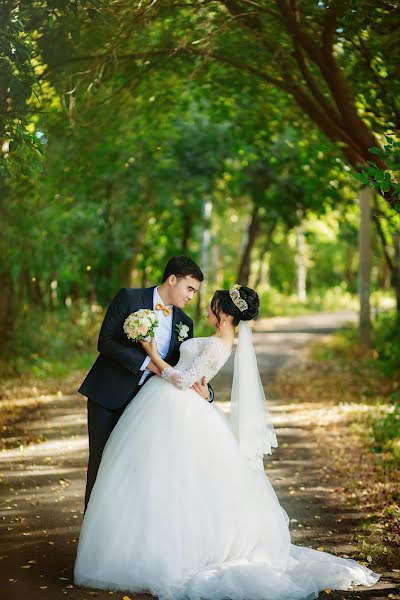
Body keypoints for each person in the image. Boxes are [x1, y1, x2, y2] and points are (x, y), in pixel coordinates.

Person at [74, 284, 380, 600]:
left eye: (211, 306)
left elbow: (183, 380)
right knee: (159, 478)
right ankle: (139, 544)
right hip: (170, 404)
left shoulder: (219, 344)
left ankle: (166, 550)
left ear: (222, 312)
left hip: (174, 405)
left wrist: (151, 353)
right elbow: (198, 382)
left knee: (171, 481)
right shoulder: (222, 340)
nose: (205, 309)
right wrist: (203, 389)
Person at [78, 255, 214, 509]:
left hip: (145, 407)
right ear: (172, 280)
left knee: (134, 471)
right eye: (189, 289)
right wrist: (147, 363)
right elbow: (105, 341)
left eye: (194, 291)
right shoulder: (129, 298)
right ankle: (93, 533)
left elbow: (184, 368)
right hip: (108, 396)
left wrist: (208, 394)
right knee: (101, 461)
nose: (191, 296)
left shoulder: (185, 323)